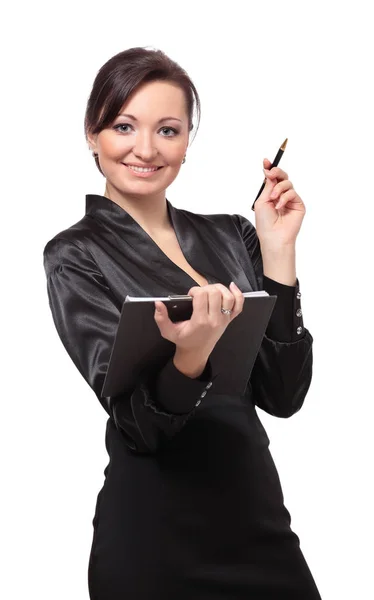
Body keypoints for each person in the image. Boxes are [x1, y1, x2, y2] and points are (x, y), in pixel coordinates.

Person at [43, 47, 322, 599]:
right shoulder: (75, 254)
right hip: (155, 538)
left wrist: (278, 253)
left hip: (255, 517)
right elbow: (138, 425)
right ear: (92, 134)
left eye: (167, 130)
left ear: (187, 143)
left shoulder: (233, 235)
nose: (145, 149)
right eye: (125, 125)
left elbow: (283, 394)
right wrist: (190, 356)